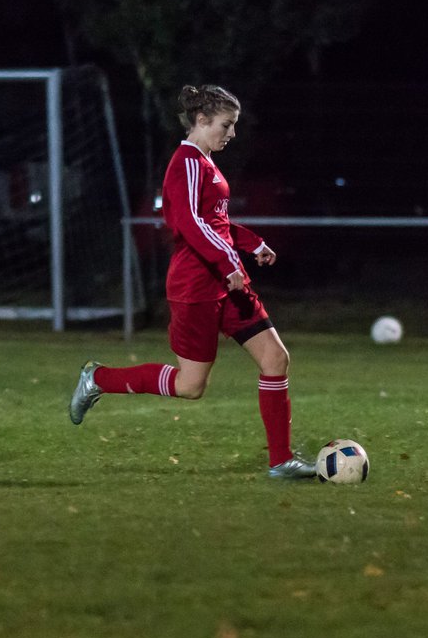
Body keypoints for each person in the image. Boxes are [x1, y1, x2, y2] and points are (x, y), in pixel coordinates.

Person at [69, 84, 315, 479]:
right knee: (190, 386)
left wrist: (252, 243)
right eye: (226, 124)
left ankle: (281, 461)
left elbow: (214, 223)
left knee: (275, 359)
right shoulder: (185, 161)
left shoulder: (206, 163)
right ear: (201, 121)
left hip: (229, 281)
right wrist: (228, 261)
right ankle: (97, 378)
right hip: (196, 287)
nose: (231, 134)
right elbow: (189, 223)